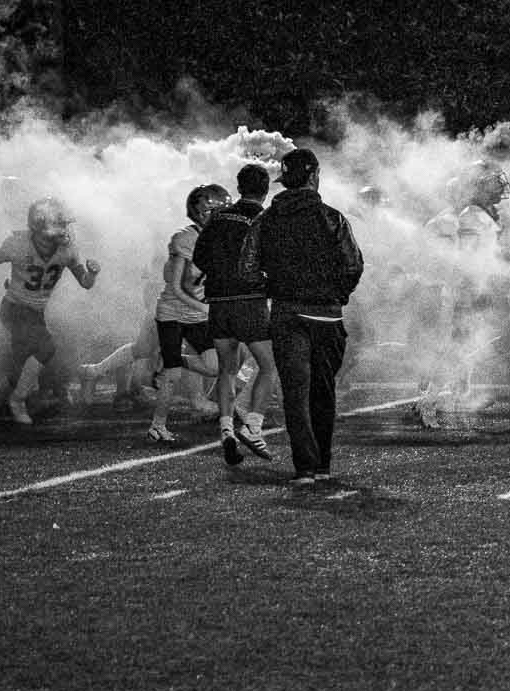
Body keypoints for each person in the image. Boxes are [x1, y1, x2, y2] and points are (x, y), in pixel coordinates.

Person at [241, 149, 366, 484]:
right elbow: (353, 265)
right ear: (314, 176)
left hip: (288, 313)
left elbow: (247, 269)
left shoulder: (265, 219)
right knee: (323, 391)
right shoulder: (333, 217)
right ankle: (323, 465)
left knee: (295, 394)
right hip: (327, 316)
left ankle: (306, 468)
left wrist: (274, 287)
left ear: (286, 181)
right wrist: (336, 295)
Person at [0, 197, 102, 429]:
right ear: (40, 225)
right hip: (14, 308)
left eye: (64, 224)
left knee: (19, 368)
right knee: (46, 347)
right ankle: (17, 401)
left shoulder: (67, 250)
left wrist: (93, 274)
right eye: (59, 224)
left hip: (35, 313)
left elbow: (85, 283)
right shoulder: (19, 244)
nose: (64, 230)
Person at [193, 164, 278, 466]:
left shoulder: (217, 218)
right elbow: (272, 260)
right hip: (250, 301)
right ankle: (253, 426)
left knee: (227, 369)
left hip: (219, 302)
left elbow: (199, 257)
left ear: (239, 188)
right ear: (265, 190)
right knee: (268, 365)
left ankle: (226, 429)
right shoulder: (266, 218)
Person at [141, 185, 230, 445]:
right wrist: (204, 307)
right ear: (201, 212)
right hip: (173, 311)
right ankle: (157, 426)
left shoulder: (218, 238)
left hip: (197, 313)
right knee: (173, 375)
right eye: (217, 211)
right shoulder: (185, 238)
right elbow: (177, 287)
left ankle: (170, 359)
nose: (222, 216)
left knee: (214, 366)